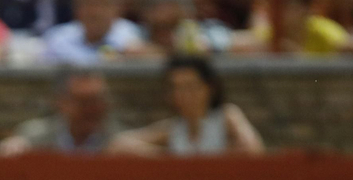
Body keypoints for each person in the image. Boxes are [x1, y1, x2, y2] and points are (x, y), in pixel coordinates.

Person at [109, 54, 265, 154]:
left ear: (209, 88)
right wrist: (170, 158)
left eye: (191, 87)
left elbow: (254, 150)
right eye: (177, 88)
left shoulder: (227, 116)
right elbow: (119, 144)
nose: (184, 95)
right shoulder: (173, 129)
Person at [0, 69, 120, 153]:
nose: (92, 109)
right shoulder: (32, 138)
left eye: (98, 101)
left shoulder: (120, 140)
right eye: (83, 102)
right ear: (61, 103)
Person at [40, 0, 145, 60]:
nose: (93, 11)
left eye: (101, 2)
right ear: (74, 6)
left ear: (118, 6)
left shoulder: (133, 38)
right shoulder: (57, 40)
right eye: (86, 2)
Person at [252, 0, 350, 51]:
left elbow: (351, 47)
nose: (277, 9)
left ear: (308, 7)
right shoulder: (265, 37)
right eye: (273, 2)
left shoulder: (325, 33)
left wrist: (296, 57)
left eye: (286, 2)